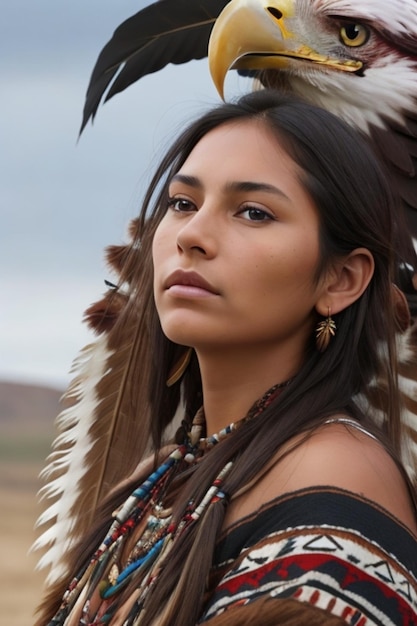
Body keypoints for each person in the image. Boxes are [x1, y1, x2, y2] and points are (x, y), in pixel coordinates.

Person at [35, 90, 417, 625]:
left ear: (341, 279)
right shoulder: (161, 477)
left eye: (254, 212)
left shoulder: (334, 478)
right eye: (182, 203)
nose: (191, 236)